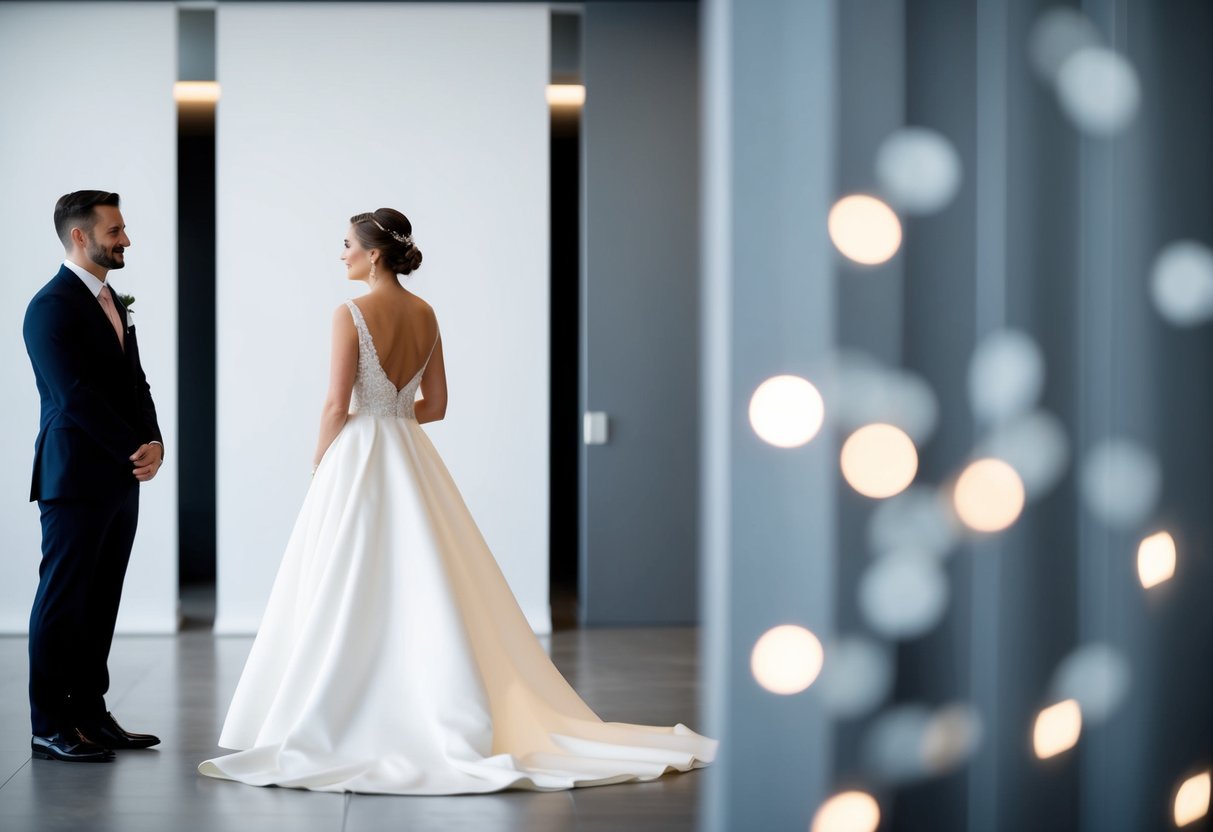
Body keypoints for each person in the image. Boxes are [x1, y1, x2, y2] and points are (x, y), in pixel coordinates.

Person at [199, 208, 715, 794]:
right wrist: (394, 419)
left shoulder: (349, 313)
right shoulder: (426, 313)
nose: (340, 254)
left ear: (373, 254)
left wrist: (322, 460)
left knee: (345, 574)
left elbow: (335, 406)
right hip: (410, 453)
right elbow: (438, 405)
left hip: (358, 454)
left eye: (346, 244)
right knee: (426, 574)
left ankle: (340, 704)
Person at [23, 190, 164, 763]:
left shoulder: (112, 301)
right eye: (115, 230)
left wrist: (154, 441)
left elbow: (137, 382)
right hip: (75, 476)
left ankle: (89, 713)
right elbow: (72, 395)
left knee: (102, 597)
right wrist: (133, 446)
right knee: (62, 600)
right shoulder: (49, 306)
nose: (126, 239)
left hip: (120, 475)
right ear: (80, 236)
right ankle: (49, 724)